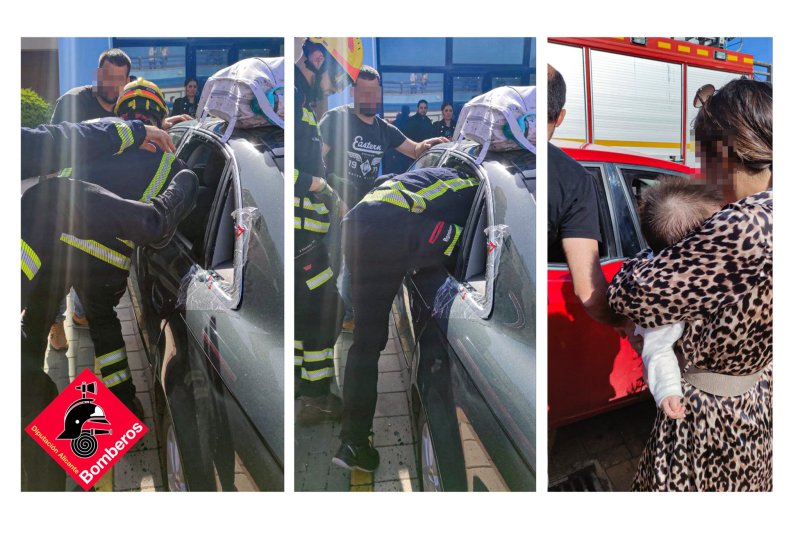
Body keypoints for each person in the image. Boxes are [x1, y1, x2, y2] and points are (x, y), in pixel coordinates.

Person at [608, 78, 773, 491]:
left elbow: (630, 295)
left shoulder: (743, 225)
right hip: (756, 397)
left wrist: (650, 257)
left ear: (719, 154)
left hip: (714, 417)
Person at [20, 119, 195, 491]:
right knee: (100, 325)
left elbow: (58, 150)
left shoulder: (52, 189)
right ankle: (124, 399)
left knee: (33, 335)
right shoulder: (172, 164)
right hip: (104, 258)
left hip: (57, 250)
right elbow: (54, 145)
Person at [333, 167, 479, 471]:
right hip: (394, 232)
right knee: (465, 240)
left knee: (365, 344)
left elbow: (380, 183)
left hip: (357, 226)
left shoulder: (433, 173)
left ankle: (353, 442)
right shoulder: (475, 190)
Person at [319, 66, 449, 332]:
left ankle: (348, 317)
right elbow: (315, 159)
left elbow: (414, 150)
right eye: (363, 92)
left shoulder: (382, 129)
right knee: (336, 264)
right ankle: (330, 319)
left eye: (373, 93)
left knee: (354, 263)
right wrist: (333, 194)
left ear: (379, 94)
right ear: (354, 92)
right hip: (331, 207)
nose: (368, 99)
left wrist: (431, 144)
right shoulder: (335, 120)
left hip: (361, 211)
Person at [294, 37, 362, 424]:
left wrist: (326, 180)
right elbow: (290, 174)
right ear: (317, 59)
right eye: (336, 81)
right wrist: (323, 187)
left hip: (308, 238)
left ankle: (304, 384)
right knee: (326, 309)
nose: (336, 91)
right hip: (302, 239)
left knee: (307, 313)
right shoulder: (293, 105)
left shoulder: (300, 105)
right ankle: (316, 396)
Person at [633, 176, 724, 420]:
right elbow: (657, 347)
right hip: (694, 391)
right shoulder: (666, 291)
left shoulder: (675, 268)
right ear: (693, 248)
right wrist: (668, 390)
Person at [547, 65, 628, 330]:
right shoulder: (573, 180)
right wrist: (629, 325)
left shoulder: (493, 159)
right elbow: (590, 293)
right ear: (560, 117)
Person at [51, 49, 132, 124]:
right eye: (108, 77)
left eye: (119, 79)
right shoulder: (73, 102)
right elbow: (57, 137)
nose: (112, 84)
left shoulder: (128, 109)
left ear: (127, 82)